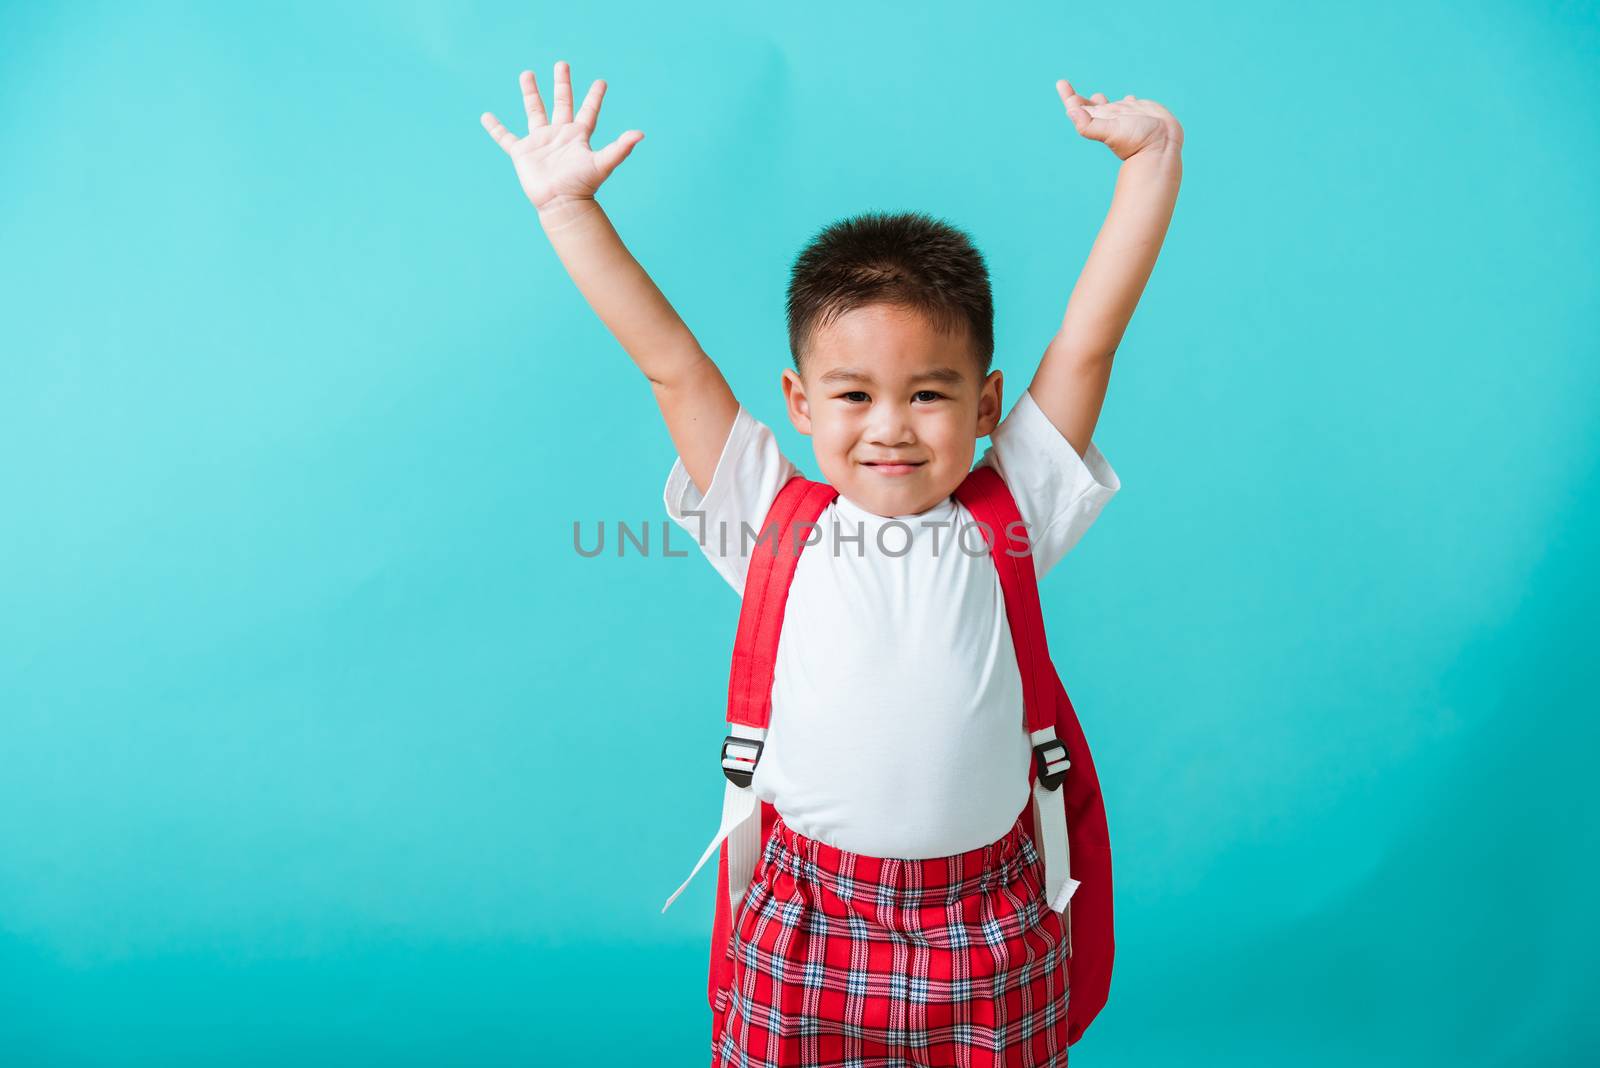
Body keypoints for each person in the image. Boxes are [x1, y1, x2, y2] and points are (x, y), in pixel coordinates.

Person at [481, 60, 1183, 1067]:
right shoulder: (769, 515)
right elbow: (670, 360)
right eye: (852, 396)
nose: (890, 428)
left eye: (929, 395)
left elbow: (1085, 346)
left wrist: (1151, 165)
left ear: (986, 407)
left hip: (983, 923)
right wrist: (565, 208)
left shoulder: (1009, 511)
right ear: (799, 404)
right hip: (805, 920)